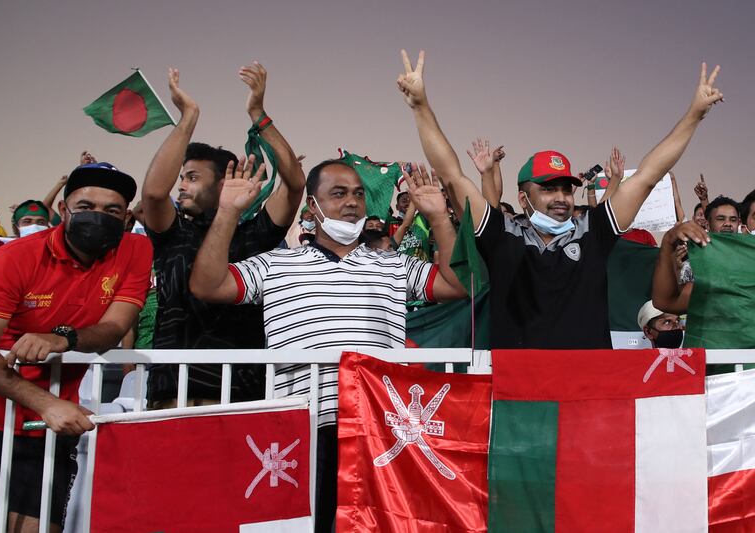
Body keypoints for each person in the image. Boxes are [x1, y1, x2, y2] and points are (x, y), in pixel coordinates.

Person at [189, 158, 466, 531]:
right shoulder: (277, 264)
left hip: (377, 426)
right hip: (302, 426)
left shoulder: (393, 265)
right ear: (311, 208)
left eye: (357, 194)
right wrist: (226, 212)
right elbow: (207, 286)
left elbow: (456, 284)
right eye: (337, 193)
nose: (351, 202)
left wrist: (437, 217)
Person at [397, 49, 724, 348]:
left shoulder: (593, 231)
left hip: (585, 392)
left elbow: (650, 173)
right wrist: (421, 107)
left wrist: (694, 114)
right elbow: (452, 173)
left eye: (566, 188)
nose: (561, 198)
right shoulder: (502, 234)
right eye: (548, 188)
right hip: (520, 393)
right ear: (523, 199)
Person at [0, 161, 152, 532]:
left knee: (39, 524)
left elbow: (114, 328)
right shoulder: (15, 257)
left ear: (126, 218)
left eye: (112, 211)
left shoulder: (136, 251)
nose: (98, 217)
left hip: (50, 421)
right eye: (86, 207)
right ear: (63, 211)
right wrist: (47, 404)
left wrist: (64, 338)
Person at [141, 63, 304, 408]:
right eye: (182, 177)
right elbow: (154, 194)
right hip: (174, 393)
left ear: (223, 183)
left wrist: (259, 115)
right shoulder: (174, 234)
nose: (181, 185)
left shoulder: (252, 236)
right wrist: (188, 116)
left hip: (242, 393)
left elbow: (295, 184)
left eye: (193, 178)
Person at [653, 196, 740, 314]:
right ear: (708, 224)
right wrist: (668, 241)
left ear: (739, 223)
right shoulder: (694, 258)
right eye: (720, 219)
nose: (728, 224)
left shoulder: (749, 258)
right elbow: (667, 302)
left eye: (733, 219)